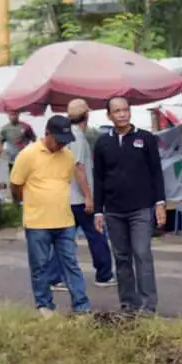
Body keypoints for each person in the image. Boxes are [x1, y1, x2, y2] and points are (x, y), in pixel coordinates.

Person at [93, 96, 168, 316]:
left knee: (142, 252)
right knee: (121, 256)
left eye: (125, 110)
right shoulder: (102, 143)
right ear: (109, 115)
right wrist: (98, 210)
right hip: (113, 210)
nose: (122, 114)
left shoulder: (145, 139)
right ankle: (128, 303)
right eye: (117, 111)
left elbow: (156, 173)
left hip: (141, 208)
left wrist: (160, 203)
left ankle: (148, 305)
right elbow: (98, 178)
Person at [10, 115, 91, 318]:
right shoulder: (28, 155)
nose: (62, 144)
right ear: (47, 134)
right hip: (37, 222)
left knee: (71, 264)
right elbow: (16, 185)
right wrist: (26, 203)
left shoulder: (68, 156)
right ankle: (44, 305)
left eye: (65, 140)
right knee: (40, 266)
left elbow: (66, 181)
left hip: (64, 220)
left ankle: (81, 307)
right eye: (59, 140)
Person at [46, 99, 115, 289]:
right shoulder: (78, 139)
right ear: (87, 114)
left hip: (66, 197)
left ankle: (54, 276)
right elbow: (79, 169)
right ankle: (104, 274)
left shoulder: (65, 139)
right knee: (97, 235)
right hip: (79, 199)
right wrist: (88, 196)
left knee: (64, 238)